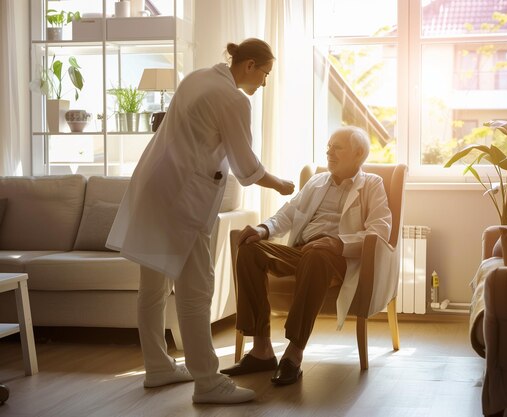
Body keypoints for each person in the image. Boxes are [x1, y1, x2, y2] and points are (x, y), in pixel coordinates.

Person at [106, 38, 295, 404]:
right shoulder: (234, 98)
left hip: (151, 187)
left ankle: (157, 366)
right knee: (197, 287)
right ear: (250, 65)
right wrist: (281, 185)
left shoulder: (196, 77)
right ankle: (208, 382)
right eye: (266, 74)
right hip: (179, 198)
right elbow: (246, 167)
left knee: (153, 284)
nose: (265, 83)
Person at [220, 126, 392, 385]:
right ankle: (261, 350)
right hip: (301, 251)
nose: (329, 152)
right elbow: (288, 214)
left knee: (317, 256)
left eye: (337, 147)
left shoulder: (371, 184)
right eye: (328, 146)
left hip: (337, 258)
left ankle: (293, 354)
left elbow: (379, 231)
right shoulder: (316, 181)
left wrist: (337, 243)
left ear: (358, 154)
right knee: (249, 249)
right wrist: (262, 228)